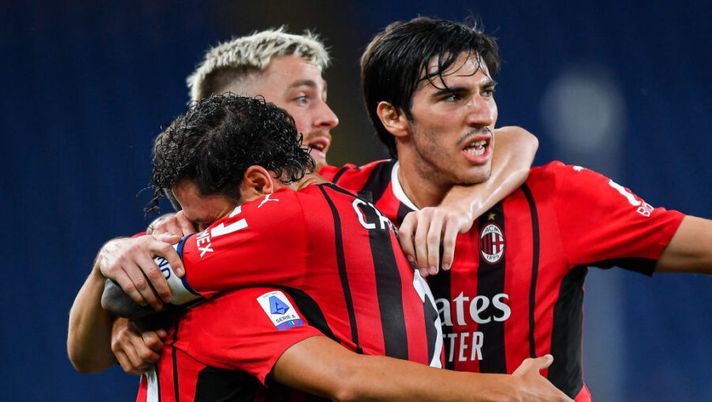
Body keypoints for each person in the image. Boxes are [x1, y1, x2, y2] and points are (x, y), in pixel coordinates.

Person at [68, 27, 538, 374]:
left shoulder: (350, 194)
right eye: (302, 98)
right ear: (239, 115)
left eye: (325, 97)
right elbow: (86, 355)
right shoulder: (192, 226)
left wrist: (459, 207)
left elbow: (514, 141)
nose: (330, 117)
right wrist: (110, 265)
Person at [314, 16, 711, 401]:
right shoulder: (335, 203)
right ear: (393, 116)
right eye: (452, 96)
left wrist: (462, 208)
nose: (483, 114)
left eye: (486, 92)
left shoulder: (559, 197)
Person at [106, 94, 570, 401]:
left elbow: (119, 296)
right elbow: (519, 137)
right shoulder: (359, 205)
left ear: (256, 184)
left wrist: (129, 278)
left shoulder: (270, 234)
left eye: (202, 221)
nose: (188, 230)